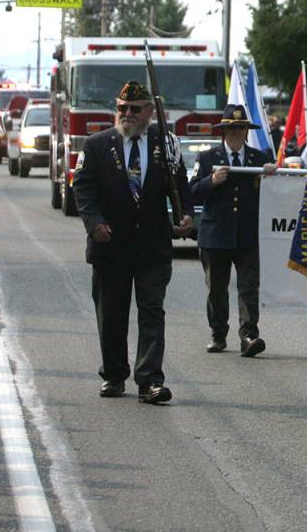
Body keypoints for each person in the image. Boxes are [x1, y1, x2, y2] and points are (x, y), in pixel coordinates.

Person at [73, 81, 192, 404]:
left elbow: (179, 186)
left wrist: (185, 217)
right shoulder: (96, 145)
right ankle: (113, 375)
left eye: (134, 109)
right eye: (122, 108)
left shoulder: (165, 144)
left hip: (152, 246)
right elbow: (82, 190)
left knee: (152, 312)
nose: (126, 114)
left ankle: (150, 380)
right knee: (111, 314)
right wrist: (94, 222)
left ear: (149, 112)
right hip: (110, 246)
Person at [189, 104, 278, 356]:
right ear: (224, 131)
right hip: (216, 234)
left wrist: (271, 174)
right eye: (232, 128)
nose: (237, 132)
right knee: (217, 287)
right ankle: (218, 334)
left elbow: (274, 193)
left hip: (248, 234)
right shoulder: (207, 158)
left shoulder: (259, 159)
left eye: (241, 127)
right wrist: (211, 181)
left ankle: (249, 335)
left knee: (249, 287)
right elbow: (192, 192)